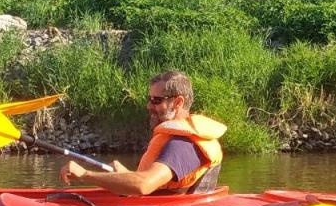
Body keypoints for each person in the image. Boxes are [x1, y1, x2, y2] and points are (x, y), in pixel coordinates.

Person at [61, 70, 226, 195]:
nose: (149, 106)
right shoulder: (180, 139)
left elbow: (144, 185)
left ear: (177, 102)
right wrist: (126, 176)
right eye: (149, 99)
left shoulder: (183, 145)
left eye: (156, 100)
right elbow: (154, 185)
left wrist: (85, 174)